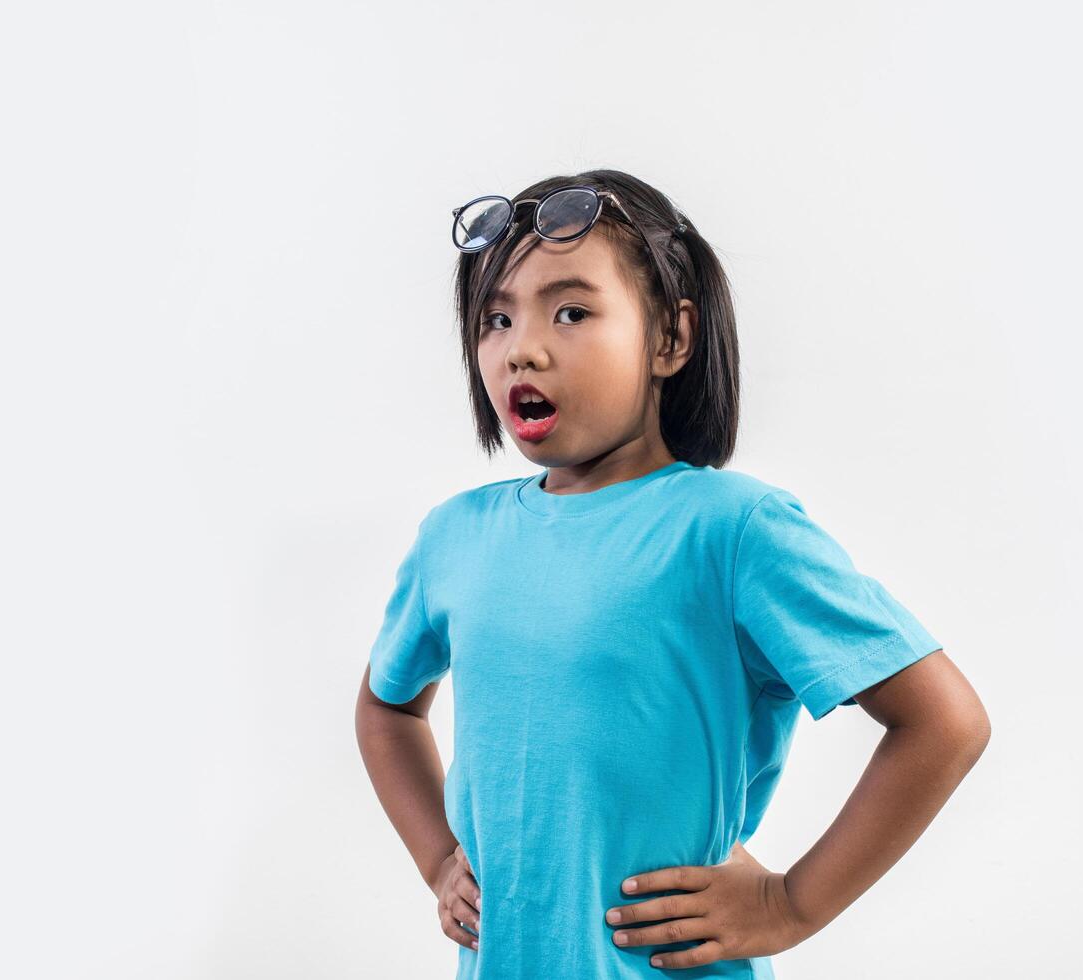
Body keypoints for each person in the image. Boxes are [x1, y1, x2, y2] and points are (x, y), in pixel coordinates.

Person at [354, 169, 990, 979]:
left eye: (572, 311)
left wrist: (791, 904)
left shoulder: (730, 531)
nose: (523, 347)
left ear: (670, 339)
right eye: (495, 318)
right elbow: (386, 709)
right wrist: (438, 860)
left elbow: (943, 722)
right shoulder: (455, 537)